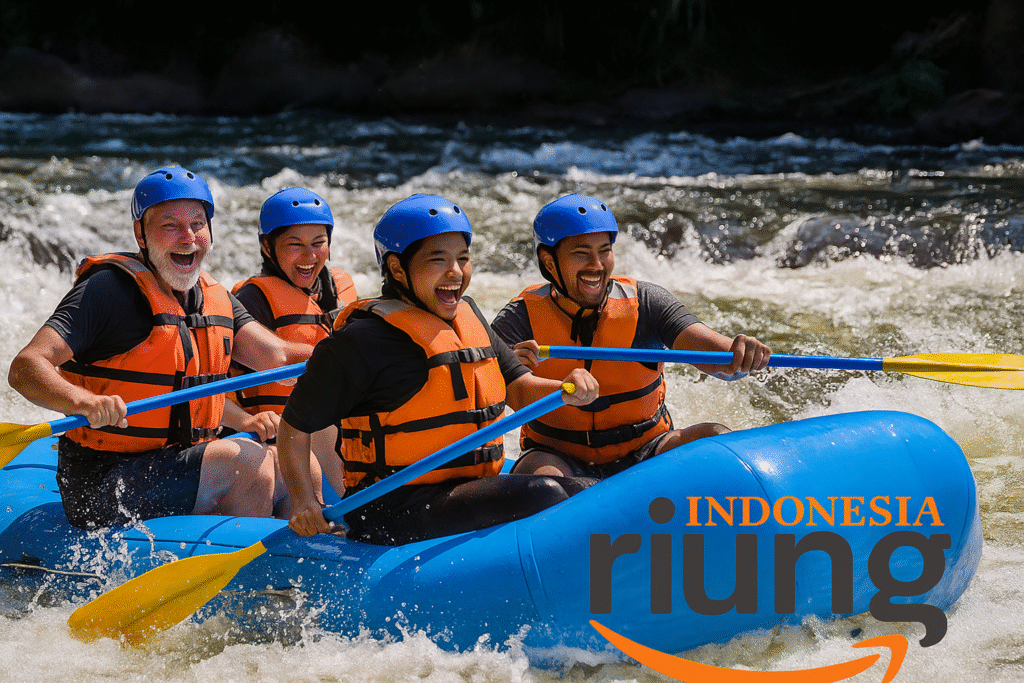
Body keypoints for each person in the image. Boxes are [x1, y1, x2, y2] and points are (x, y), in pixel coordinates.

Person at [277, 193, 600, 545]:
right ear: (398, 268)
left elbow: (520, 388)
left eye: (463, 259)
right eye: (438, 260)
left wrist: (565, 389)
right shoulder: (360, 342)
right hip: (389, 508)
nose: (456, 273)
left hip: (467, 486)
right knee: (545, 493)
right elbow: (293, 426)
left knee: (593, 489)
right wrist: (304, 501)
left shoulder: (470, 317)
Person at [7, 167, 314, 529]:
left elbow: (276, 356)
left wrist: (353, 356)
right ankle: (243, 576)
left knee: (300, 463)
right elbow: (25, 367)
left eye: (198, 224)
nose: (188, 238)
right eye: (170, 226)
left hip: (179, 461)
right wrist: (84, 403)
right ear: (141, 232)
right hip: (104, 482)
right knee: (245, 460)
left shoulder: (215, 299)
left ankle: (302, 558)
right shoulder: (108, 291)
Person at [490, 193, 771, 480]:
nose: (597, 265)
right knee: (541, 486)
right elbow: (488, 398)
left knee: (716, 439)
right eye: (581, 253)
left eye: (604, 251)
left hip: (648, 450)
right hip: (558, 456)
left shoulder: (647, 303)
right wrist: (507, 373)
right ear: (549, 263)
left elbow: (714, 354)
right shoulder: (517, 320)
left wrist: (739, 355)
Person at [229, 187, 357, 501]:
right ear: (267, 247)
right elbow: (215, 386)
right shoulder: (252, 300)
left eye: (318, 243)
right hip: (271, 434)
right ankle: (355, 514)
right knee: (324, 424)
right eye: (295, 245)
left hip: (329, 427)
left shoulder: (340, 289)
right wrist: (247, 421)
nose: (309, 257)